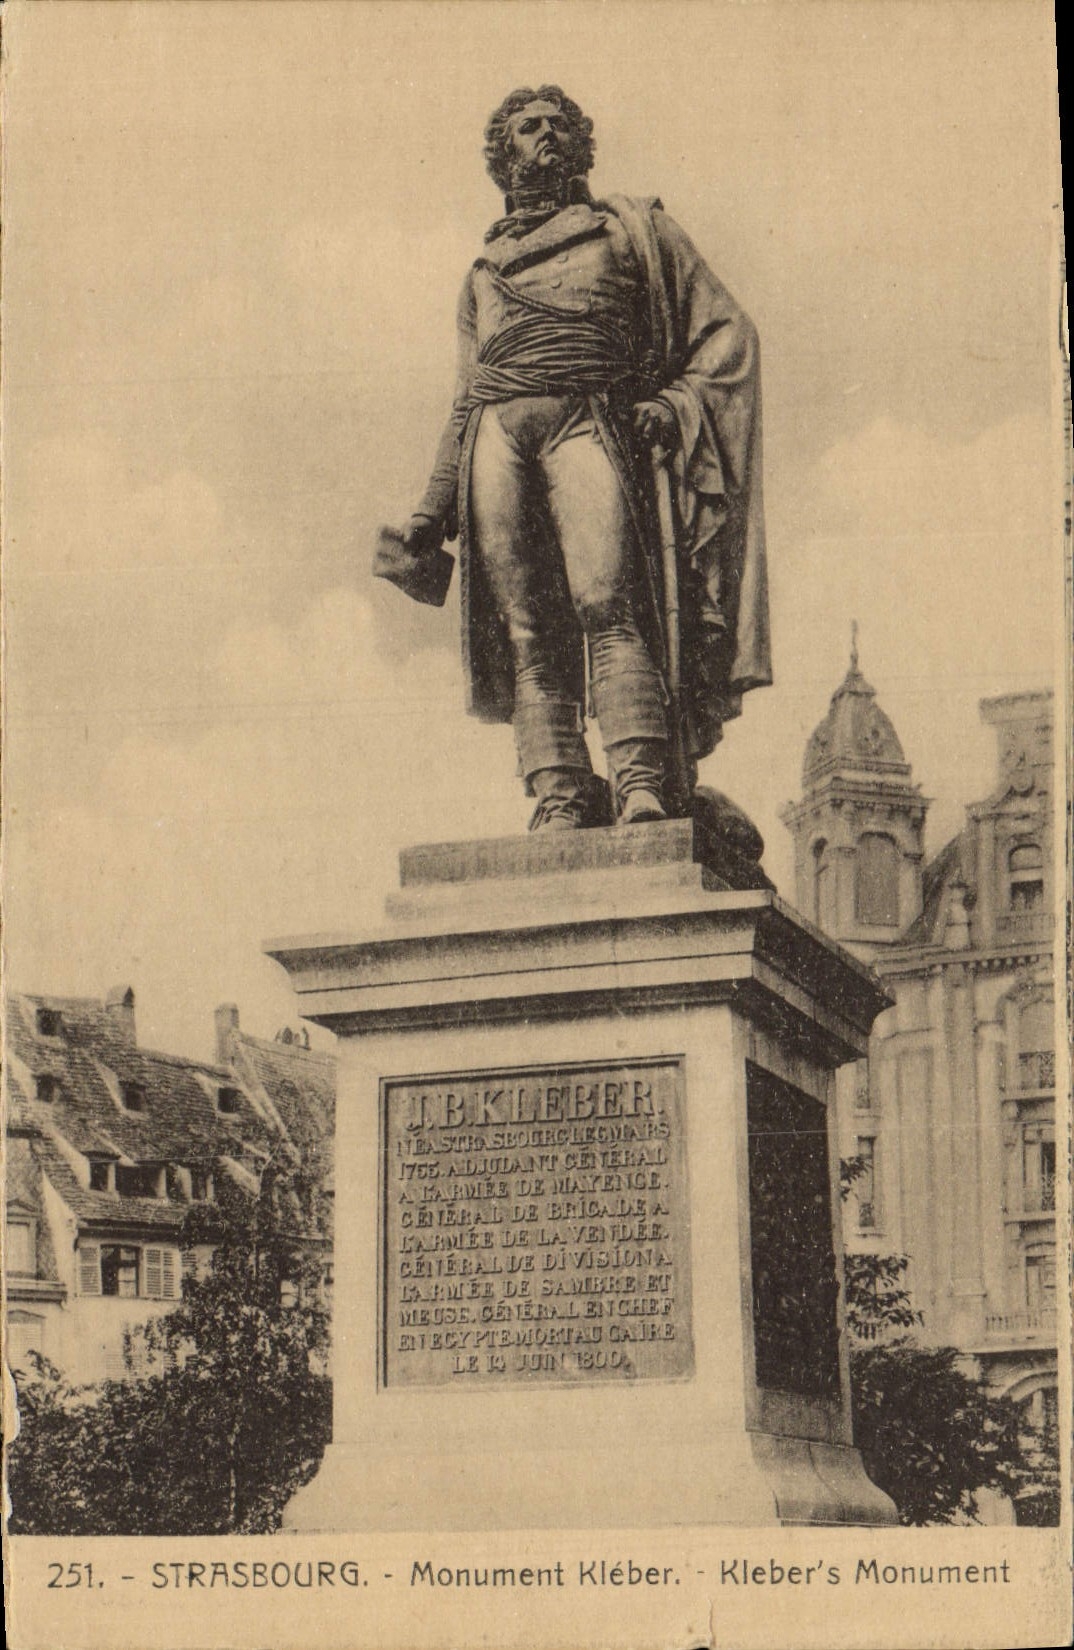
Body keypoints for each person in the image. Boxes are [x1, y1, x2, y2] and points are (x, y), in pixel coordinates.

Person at [386, 85, 770, 830]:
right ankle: (559, 790)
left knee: (608, 604)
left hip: (586, 423)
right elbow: (467, 396)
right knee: (529, 627)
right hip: (497, 439)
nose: (547, 136)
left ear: (581, 147)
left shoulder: (629, 233)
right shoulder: (481, 273)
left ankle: (640, 783)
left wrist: (672, 403)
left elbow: (729, 334)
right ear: (504, 155)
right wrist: (430, 513)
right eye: (529, 128)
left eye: (560, 126)